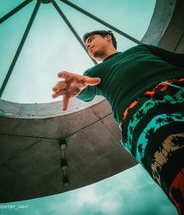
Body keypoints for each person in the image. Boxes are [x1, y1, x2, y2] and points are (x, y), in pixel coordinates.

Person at [52, 30, 184, 214]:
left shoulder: (141, 49)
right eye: (86, 46)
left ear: (108, 37)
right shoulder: (94, 72)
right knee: (176, 166)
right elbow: (88, 91)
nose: (88, 45)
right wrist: (79, 86)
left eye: (91, 40)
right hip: (142, 115)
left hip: (178, 87)